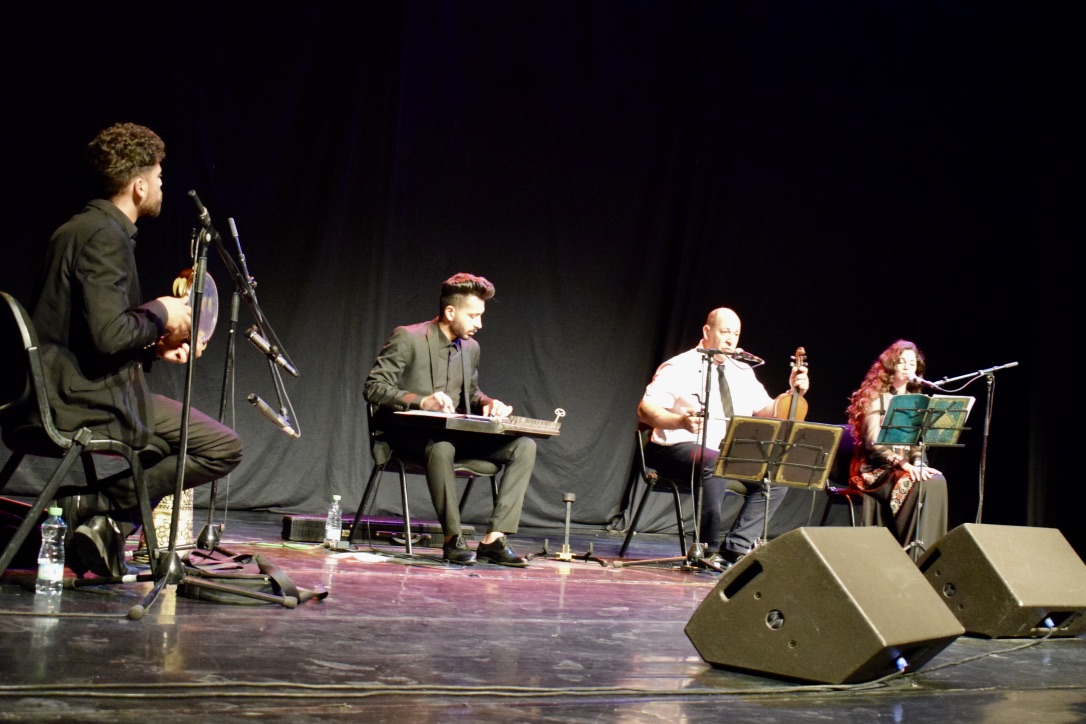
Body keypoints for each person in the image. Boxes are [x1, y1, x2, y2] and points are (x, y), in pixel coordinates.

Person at [26, 122, 243, 577]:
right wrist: (162, 311)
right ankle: (91, 505)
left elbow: (89, 334)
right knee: (222, 447)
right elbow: (108, 335)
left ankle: (104, 529)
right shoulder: (103, 235)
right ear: (139, 185)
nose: (162, 185)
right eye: (159, 177)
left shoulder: (78, 229)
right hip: (80, 399)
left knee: (164, 448)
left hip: (68, 388)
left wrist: (154, 349)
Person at [364, 273, 535, 567]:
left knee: (524, 446)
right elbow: (374, 388)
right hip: (408, 438)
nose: (479, 324)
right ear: (451, 311)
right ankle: (452, 539)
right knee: (441, 447)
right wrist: (421, 401)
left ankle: (493, 540)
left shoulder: (470, 348)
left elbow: (472, 392)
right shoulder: (408, 337)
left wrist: (489, 403)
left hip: (454, 436)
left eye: (481, 316)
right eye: (473, 316)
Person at [637, 307, 809, 567]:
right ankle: (707, 547)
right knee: (714, 462)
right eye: (725, 332)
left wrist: (793, 392)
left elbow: (768, 412)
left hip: (726, 452)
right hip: (676, 447)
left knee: (775, 476)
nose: (731, 340)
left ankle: (733, 549)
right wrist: (679, 421)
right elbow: (645, 409)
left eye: (736, 334)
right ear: (707, 331)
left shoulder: (742, 370)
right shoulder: (679, 366)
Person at [846, 339, 948, 552]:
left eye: (912, 363)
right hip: (878, 470)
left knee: (936, 481)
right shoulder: (876, 398)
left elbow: (917, 444)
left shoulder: (915, 400)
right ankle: (907, 549)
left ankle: (926, 552)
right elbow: (873, 443)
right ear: (891, 366)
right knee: (914, 483)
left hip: (904, 467)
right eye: (902, 362)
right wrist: (904, 465)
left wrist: (919, 464)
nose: (907, 367)